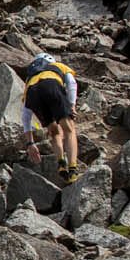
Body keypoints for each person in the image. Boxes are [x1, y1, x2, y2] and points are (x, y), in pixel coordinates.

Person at [21, 52, 82, 182]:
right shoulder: (57, 66)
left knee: (54, 130)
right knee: (69, 129)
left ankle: (61, 162)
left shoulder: (29, 79)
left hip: (33, 94)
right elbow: (71, 83)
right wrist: (72, 105)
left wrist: (30, 143)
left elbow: (25, 115)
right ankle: (72, 169)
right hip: (51, 85)